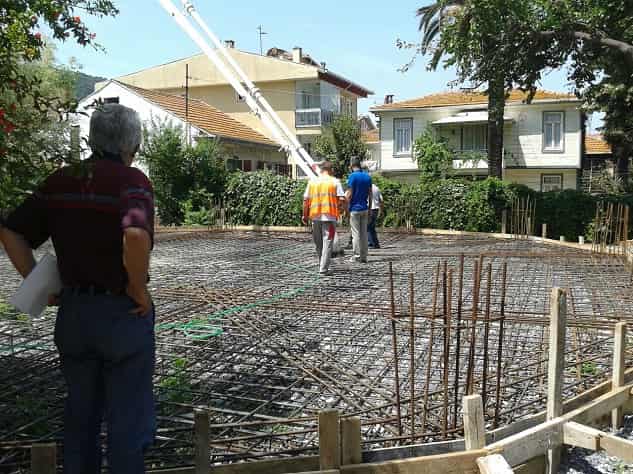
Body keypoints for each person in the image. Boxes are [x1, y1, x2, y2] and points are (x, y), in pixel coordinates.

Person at [0, 104, 156, 474]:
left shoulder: (60, 181)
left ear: (92, 138)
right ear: (132, 143)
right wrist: (137, 287)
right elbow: (134, 233)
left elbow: (10, 231)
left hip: (75, 315)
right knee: (127, 423)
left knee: (80, 418)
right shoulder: (132, 182)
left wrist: (38, 282)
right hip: (121, 314)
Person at [302, 161, 345, 275]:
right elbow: (341, 199)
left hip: (315, 217)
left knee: (319, 243)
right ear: (331, 170)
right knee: (328, 242)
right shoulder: (335, 181)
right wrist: (341, 211)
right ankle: (323, 268)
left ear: (321, 170)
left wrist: (305, 215)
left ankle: (322, 264)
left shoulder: (312, 182)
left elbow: (306, 201)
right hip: (330, 218)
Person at [346, 158, 372, 263]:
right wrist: (369, 208)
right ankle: (364, 256)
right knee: (364, 234)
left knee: (355, 233)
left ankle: (356, 256)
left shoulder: (352, 177)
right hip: (365, 208)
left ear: (352, 166)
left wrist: (346, 209)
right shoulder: (367, 177)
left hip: (355, 209)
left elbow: (349, 194)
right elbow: (370, 194)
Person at [368, 182, 384, 249]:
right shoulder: (377, 188)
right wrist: (381, 211)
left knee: (368, 227)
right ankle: (373, 243)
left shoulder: (367, 188)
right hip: (376, 209)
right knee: (371, 227)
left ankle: (374, 243)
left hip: (369, 208)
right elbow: (381, 200)